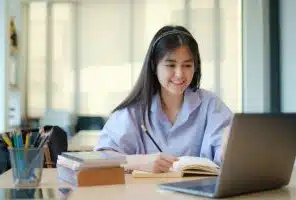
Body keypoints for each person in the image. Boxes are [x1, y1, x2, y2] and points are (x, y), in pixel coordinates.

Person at [94, 25, 233, 173]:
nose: (179, 74)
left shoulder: (211, 105)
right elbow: (100, 158)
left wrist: (229, 148)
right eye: (171, 65)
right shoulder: (133, 111)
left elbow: (227, 156)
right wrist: (138, 162)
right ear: (154, 65)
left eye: (187, 65)